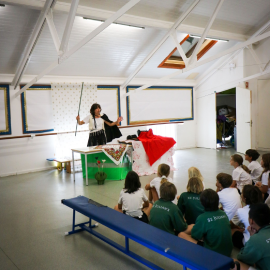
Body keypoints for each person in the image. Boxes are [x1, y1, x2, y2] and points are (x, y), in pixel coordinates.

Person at [179, 189, 233, 257]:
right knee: (194, 226)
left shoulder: (202, 218)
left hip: (213, 253)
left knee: (181, 235)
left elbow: (194, 236)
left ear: (202, 203)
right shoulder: (223, 213)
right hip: (228, 251)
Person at [232, 203, 270, 270]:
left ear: (251, 221)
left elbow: (241, 258)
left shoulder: (256, 240)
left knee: (235, 262)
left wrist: (252, 237)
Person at [232, 185, 262, 249]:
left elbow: (231, 224)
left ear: (245, 198)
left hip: (250, 243)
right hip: (264, 239)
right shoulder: (264, 208)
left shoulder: (240, 211)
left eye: (242, 193)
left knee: (234, 232)